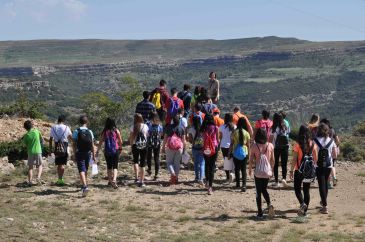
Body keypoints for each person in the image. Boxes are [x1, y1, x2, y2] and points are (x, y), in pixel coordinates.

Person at [289, 125, 318, 217]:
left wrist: (291, 171)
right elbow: (316, 159)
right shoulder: (313, 144)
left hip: (299, 170)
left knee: (297, 189)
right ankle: (304, 212)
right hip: (308, 171)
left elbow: (294, 159)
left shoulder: (297, 144)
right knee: (306, 190)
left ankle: (302, 204)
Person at [248, 128, 275, 219]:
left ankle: (260, 213)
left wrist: (250, 169)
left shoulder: (254, 146)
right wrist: (272, 170)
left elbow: (251, 159)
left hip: (258, 172)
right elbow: (273, 160)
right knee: (264, 189)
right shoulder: (270, 145)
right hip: (267, 172)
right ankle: (269, 204)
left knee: (258, 192)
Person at [314, 123, 337, 214]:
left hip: (318, 165)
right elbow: (335, 154)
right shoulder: (331, 141)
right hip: (328, 165)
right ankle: (324, 202)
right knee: (326, 184)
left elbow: (314, 154)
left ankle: (325, 206)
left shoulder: (315, 140)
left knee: (321, 185)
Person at [72, 116, 96, 197]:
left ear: (80, 122)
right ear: (87, 122)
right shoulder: (90, 131)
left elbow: (74, 144)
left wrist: (74, 153)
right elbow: (92, 144)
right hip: (88, 152)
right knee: (85, 168)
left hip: (80, 152)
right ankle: (84, 184)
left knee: (81, 169)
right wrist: (93, 154)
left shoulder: (76, 131)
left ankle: (85, 186)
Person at [96, 118, 123, 189]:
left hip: (107, 151)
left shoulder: (104, 132)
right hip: (115, 150)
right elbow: (120, 141)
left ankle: (110, 181)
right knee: (115, 166)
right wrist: (120, 148)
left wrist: (97, 151)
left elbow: (100, 142)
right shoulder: (116, 131)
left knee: (109, 166)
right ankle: (114, 179)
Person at [162, 115, 186, 185]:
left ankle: (172, 174)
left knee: (169, 162)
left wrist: (163, 147)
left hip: (170, 147)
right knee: (177, 163)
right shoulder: (182, 128)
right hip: (179, 148)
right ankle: (176, 178)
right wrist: (184, 149)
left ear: (172, 120)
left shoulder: (168, 127)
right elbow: (184, 140)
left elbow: (165, 139)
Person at [49, 115, 72, 186]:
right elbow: (71, 137)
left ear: (58, 120)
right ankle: (60, 179)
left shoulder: (53, 127)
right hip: (64, 146)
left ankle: (59, 179)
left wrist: (50, 149)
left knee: (59, 164)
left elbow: (50, 139)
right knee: (62, 164)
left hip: (57, 147)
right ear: (63, 120)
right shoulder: (66, 127)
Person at [229, 117, 250, 191]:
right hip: (244, 152)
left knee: (237, 169)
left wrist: (229, 153)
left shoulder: (234, 132)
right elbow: (248, 145)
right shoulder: (246, 133)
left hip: (236, 153)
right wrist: (249, 154)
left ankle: (237, 184)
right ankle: (244, 185)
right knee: (243, 170)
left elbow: (231, 144)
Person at [129, 113, 149, 187]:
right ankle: (142, 181)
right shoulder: (145, 126)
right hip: (144, 146)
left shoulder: (133, 127)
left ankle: (136, 177)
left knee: (136, 161)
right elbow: (147, 136)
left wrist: (131, 146)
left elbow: (131, 138)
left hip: (135, 145)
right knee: (143, 164)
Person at [22, 120, 45, 186]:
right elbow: (42, 140)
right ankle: (38, 177)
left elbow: (24, 145)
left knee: (30, 167)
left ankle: (30, 182)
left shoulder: (26, 135)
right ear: (31, 125)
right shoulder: (36, 131)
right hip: (38, 151)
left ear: (25, 128)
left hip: (30, 152)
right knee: (40, 165)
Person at [201, 114, 219, 195]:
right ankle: (210, 187)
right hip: (213, 148)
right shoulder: (215, 128)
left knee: (206, 165)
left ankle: (207, 181)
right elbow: (217, 140)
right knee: (212, 167)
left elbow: (202, 138)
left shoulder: (203, 128)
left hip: (205, 148)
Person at [271, 113, 290, 188]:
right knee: (284, 164)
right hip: (285, 146)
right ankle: (284, 179)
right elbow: (288, 134)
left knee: (275, 164)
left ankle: (276, 181)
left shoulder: (274, 127)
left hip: (276, 147)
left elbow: (272, 138)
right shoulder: (285, 126)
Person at [320, 118, 340, 188]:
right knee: (332, 165)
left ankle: (328, 183)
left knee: (326, 167)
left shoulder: (323, 130)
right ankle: (334, 177)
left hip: (325, 151)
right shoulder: (332, 130)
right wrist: (336, 147)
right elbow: (337, 140)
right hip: (332, 149)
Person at [188, 115, 205, 185]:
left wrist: (194, 142)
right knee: (202, 163)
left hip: (194, 148)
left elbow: (190, 140)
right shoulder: (203, 129)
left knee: (195, 163)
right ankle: (201, 178)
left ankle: (196, 177)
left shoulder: (191, 129)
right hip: (202, 148)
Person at [146, 112, 163, 180]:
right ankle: (156, 174)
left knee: (149, 156)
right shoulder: (160, 126)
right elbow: (161, 135)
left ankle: (149, 170)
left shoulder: (149, 125)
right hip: (157, 143)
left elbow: (147, 134)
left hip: (150, 143)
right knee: (156, 157)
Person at [219, 113, 236, 183]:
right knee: (233, 161)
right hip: (232, 145)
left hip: (224, 146)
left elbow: (220, 137)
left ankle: (228, 176)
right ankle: (232, 173)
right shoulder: (234, 127)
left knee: (226, 161)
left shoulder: (222, 127)